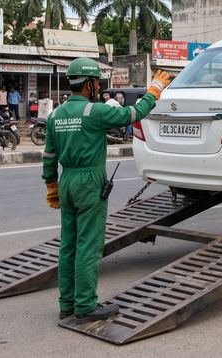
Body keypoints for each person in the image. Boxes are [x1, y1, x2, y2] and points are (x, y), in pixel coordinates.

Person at [42, 57, 173, 323]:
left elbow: (49, 155)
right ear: (89, 84)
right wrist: (155, 90)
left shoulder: (55, 115)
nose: (99, 88)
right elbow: (132, 114)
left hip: (66, 181)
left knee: (68, 245)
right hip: (89, 181)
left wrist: (51, 185)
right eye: (97, 83)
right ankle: (85, 306)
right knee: (88, 246)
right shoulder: (95, 112)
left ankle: (66, 304)